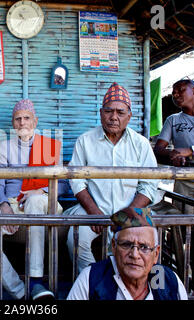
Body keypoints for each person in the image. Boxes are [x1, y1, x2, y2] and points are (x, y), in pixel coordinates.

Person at [0, 99, 68, 300]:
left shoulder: (48, 146)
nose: (22, 123)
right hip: (14, 205)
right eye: (18, 119)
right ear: (13, 123)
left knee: (34, 202)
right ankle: (19, 291)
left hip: (44, 204)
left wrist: (41, 191)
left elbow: (63, 185)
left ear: (35, 121)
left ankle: (35, 281)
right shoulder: (5, 148)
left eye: (27, 118)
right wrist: (5, 206)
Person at [64, 82, 158, 273]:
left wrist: (128, 213)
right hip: (94, 208)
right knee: (75, 240)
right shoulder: (85, 140)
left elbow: (149, 184)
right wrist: (93, 211)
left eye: (120, 112)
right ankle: (93, 281)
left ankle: (131, 286)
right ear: (101, 113)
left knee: (148, 244)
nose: (113, 117)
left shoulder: (141, 144)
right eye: (109, 111)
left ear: (129, 116)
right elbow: (76, 180)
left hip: (134, 209)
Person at [153, 79, 194, 290]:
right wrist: (172, 155)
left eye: (181, 90)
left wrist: (191, 150)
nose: (176, 95)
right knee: (189, 233)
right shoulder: (173, 120)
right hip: (186, 183)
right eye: (174, 92)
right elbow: (158, 149)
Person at [67, 207, 188, 300]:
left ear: (156, 254)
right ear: (114, 247)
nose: (135, 254)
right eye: (126, 244)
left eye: (144, 247)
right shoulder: (91, 278)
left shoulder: (169, 281)